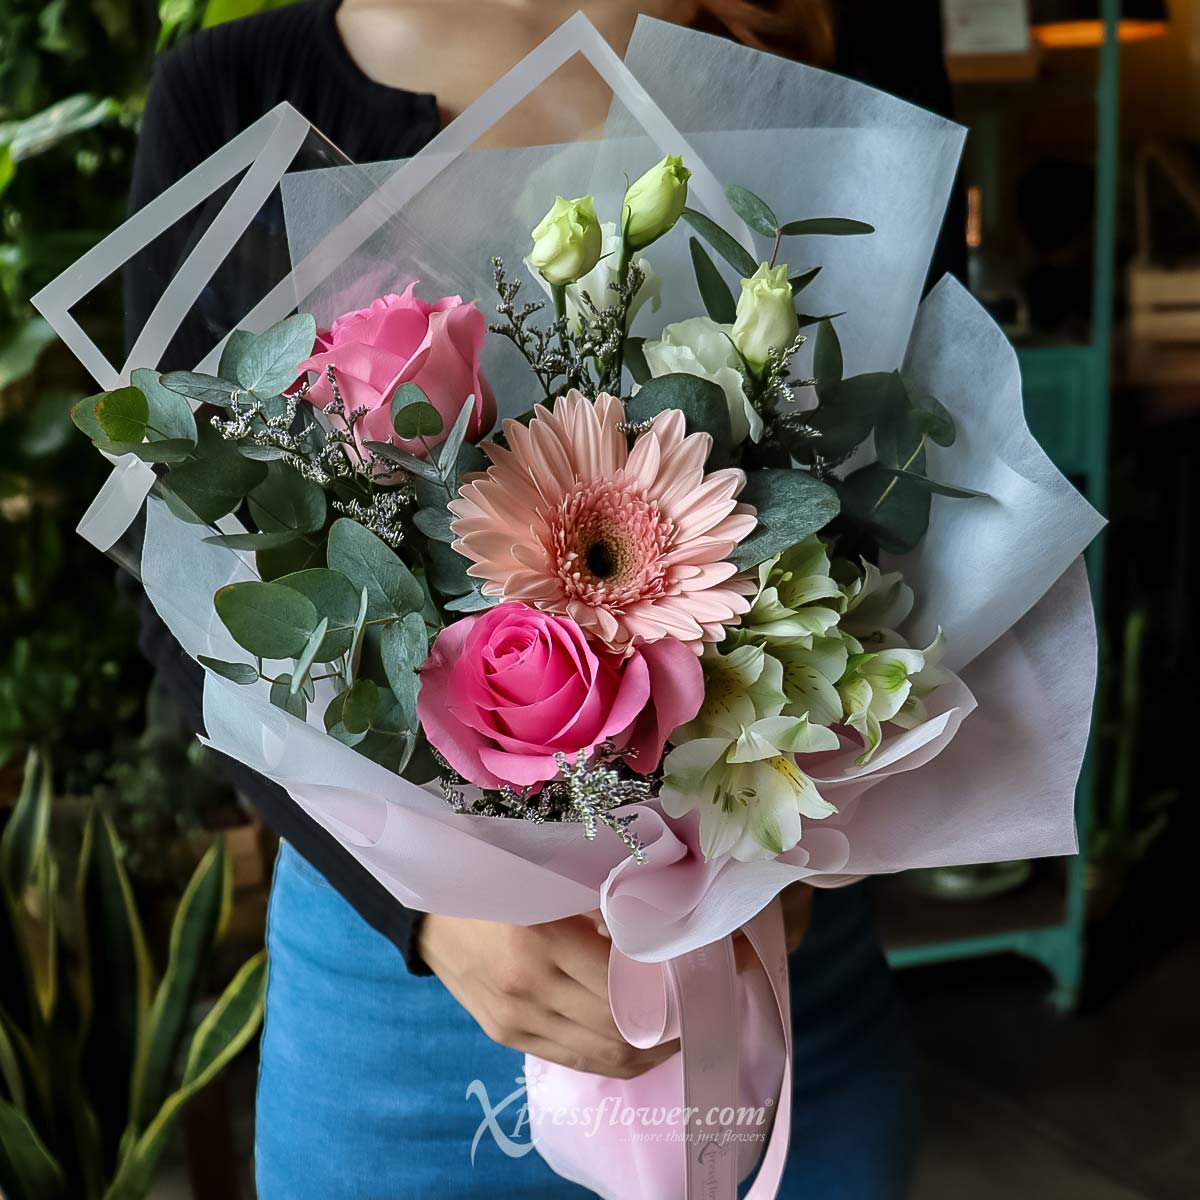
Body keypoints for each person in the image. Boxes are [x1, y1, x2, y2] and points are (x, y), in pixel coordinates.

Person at [128, 2, 960, 1194]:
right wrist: (426, 915)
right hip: (403, 1003)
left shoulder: (818, 23)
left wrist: (811, 855)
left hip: (762, 963)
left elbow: (933, 483)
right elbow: (183, 604)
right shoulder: (230, 92)